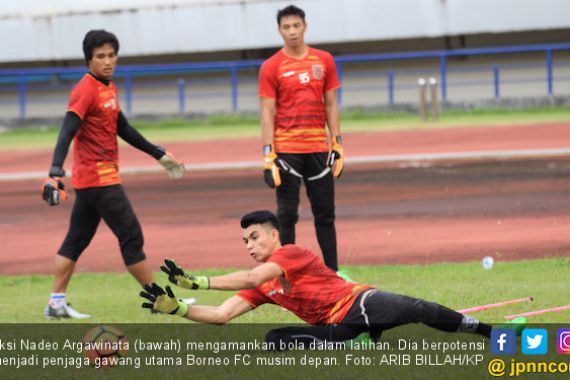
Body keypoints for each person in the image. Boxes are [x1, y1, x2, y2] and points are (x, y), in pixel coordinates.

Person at [139, 210, 497, 348]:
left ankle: (486, 332)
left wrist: (197, 283)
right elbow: (221, 316)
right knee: (274, 340)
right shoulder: (262, 286)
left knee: (417, 308)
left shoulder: (290, 253)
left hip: (359, 302)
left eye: (254, 237)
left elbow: (250, 277)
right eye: (245, 241)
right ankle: (359, 343)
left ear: (274, 236)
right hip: (336, 327)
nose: (249, 245)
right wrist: (179, 308)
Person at [42, 29, 185, 319]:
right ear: (88, 60)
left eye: (111, 55)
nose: (107, 61)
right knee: (131, 235)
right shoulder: (85, 89)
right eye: (100, 56)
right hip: (100, 180)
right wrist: (55, 169)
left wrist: (157, 153)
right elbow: (67, 129)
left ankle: (56, 302)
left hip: (92, 181)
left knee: (75, 240)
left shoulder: (108, 87)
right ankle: (159, 300)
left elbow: (123, 128)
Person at [258, 5, 346, 276]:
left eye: (296, 26)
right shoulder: (271, 66)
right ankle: (288, 276)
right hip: (287, 152)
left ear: (305, 26)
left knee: (325, 214)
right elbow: (267, 111)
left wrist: (338, 144)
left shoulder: (324, 60)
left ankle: (333, 274)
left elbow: (331, 104)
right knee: (287, 216)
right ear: (279, 31)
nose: (292, 32)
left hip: (319, 149)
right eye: (287, 27)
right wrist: (267, 154)